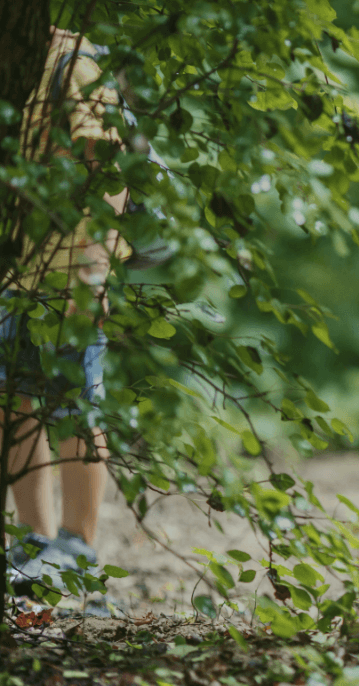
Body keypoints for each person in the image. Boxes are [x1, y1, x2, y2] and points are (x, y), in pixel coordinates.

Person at [3, 27, 130, 599]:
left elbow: (107, 169)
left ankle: (77, 551)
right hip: (14, 270)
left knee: (75, 404)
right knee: (14, 399)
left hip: (67, 270)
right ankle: (33, 546)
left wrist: (93, 269)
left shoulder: (71, 62)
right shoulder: (14, 59)